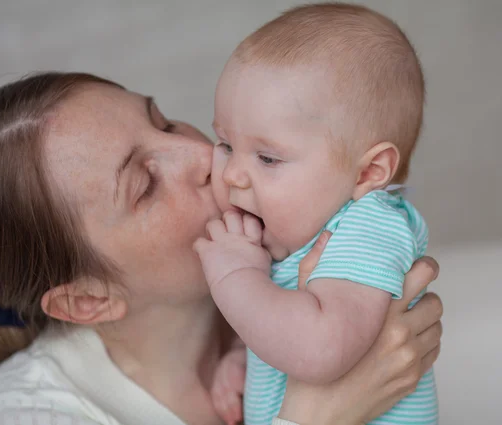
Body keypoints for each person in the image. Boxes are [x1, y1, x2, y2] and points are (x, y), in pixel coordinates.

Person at [0, 72, 443, 425]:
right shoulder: (31, 415)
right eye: (145, 185)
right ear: (87, 299)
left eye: (163, 123)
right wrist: (317, 413)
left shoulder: (305, 278)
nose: (206, 153)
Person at [193, 4, 437, 425]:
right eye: (226, 145)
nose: (232, 173)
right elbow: (288, 323)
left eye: (267, 158)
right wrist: (245, 356)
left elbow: (321, 348)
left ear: (369, 172)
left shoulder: (369, 227)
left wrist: (235, 276)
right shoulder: (295, 234)